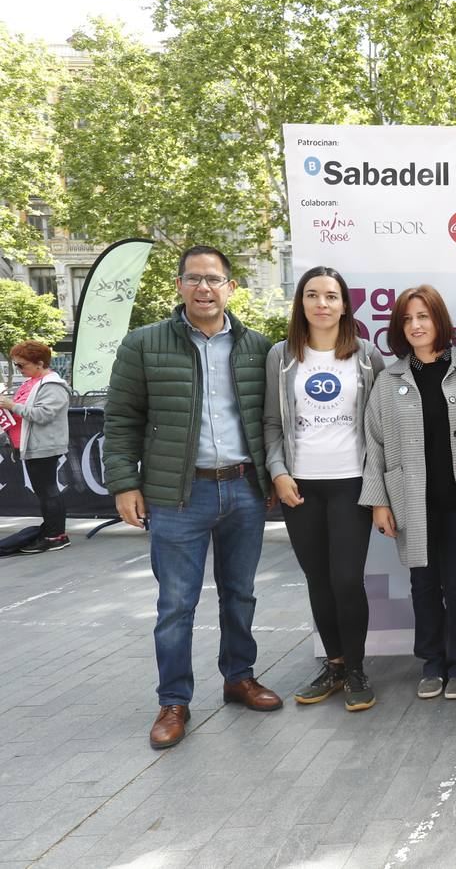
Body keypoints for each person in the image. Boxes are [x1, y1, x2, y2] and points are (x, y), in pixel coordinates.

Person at [104, 244, 280, 750]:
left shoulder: (257, 346)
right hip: (177, 496)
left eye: (214, 279)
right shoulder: (143, 344)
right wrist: (124, 484)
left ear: (231, 287)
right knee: (176, 604)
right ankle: (174, 701)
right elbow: (120, 421)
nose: (205, 287)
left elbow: (269, 421)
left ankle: (239, 677)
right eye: (194, 278)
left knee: (240, 594)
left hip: (244, 490)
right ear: (179, 285)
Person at [362, 285, 456, 701]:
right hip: (412, 502)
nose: (416, 325)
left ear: (439, 320)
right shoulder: (389, 380)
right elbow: (374, 443)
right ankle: (432, 662)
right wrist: (379, 502)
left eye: (423, 316)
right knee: (422, 583)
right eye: (407, 319)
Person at [264, 266, 386, 710]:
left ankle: (355, 669)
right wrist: (278, 472)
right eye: (312, 295)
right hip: (300, 487)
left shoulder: (367, 356)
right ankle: (334, 664)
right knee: (318, 578)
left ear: (344, 305)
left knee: (347, 579)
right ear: (301, 303)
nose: (322, 304)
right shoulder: (281, 356)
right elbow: (272, 423)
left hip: (351, 484)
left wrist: (377, 489)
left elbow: (379, 429)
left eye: (331, 296)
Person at [0, 341, 72, 553]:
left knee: (48, 491)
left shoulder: (52, 385)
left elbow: (43, 414)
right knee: (45, 492)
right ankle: (53, 532)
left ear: (39, 363)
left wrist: (11, 405)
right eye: (16, 365)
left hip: (43, 446)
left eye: (22, 365)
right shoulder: (32, 382)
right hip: (31, 445)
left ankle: (55, 536)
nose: (20, 369)